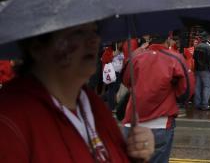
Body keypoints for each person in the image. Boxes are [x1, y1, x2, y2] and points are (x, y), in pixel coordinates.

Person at [0, 23, 155, 161]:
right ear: (37, 46)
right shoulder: (11, 120)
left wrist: (135, 158)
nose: (94, 40)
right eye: (78, 31)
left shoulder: (91, 104)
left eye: (95, 30)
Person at [122, 35, 194, 163]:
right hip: (161, 122)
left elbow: (126, 80)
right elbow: (186, 90)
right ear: (167, 39)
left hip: (133, 121)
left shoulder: (136, 56)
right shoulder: (176, 58)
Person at [193, 34, 210, 111]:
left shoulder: (197, 46)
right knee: (206, 87)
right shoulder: (208, 47)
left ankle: (197, 104)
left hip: (197, 69)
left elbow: (194, 57)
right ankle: (205, 104)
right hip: (206, 70)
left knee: (197, 86)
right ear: (207, 38)